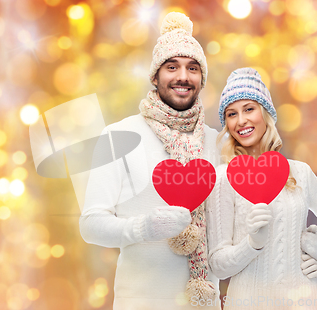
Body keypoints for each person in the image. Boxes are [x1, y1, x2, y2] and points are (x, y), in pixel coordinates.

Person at [79, 12, 222, 309]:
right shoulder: (118, 135)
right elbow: (90, 225)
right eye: (172, 67)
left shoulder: (217, 143)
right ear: (155, 76)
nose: (183, 76)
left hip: (203, 303)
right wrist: (143, 228)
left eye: (192, 68)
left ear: (202, 78)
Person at [206, 68, 317, 310]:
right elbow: (218, 264)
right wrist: (252, 243)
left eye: (249, 109)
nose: (241, 120)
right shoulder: (224, 178)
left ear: (266, 114)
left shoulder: (300, 173)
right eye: (231, 114)